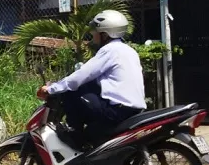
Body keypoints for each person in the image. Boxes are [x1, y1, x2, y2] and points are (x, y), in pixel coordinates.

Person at [36, 10, 146, 148]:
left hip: (117, 111)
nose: (93, 34)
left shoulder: (110, 50)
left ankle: (75, 135)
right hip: (131, 109)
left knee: (71, 91)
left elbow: (80, 77)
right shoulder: (128, 50)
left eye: (96, 31)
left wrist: (51, 89)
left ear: (105, 34)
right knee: (84, 89)